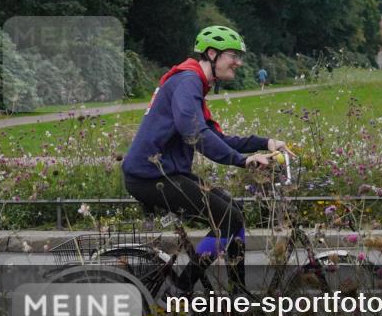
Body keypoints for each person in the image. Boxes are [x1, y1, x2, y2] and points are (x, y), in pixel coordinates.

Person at [122, 25, 293, 295]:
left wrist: (265, 142)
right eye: (233, 56)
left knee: (234, 212)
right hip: (150, 176)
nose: (238, 62)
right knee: (229, 218)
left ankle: (238, 294)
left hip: (164, 173)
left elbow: (216, 136)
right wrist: (242, 161)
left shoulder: (194, 84)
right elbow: (195, 133)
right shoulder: (187, 81)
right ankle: (182, 289)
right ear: (212, 54)